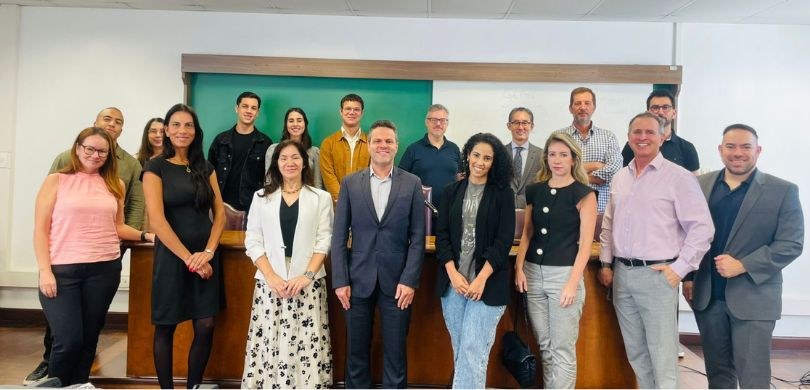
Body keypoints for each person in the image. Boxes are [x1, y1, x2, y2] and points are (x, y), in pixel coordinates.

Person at [26, 107, 145, 386]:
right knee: (68, 340)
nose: (95, 155)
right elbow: (41, 230)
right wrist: (45, 271)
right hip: (62, 270)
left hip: (104, 270)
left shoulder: (115, 183)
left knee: (89, 340)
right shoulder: (56, 180)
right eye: (90, 149)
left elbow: (118, 226)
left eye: (102, 152)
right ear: (77, 149)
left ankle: (79, 385)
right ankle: (58, 385)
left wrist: (145, 236)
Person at [598, 112, 714, 388]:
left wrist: (680, 269)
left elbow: (702, 228)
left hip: (658, 275)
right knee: (636, 353)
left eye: (650, 132)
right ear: (629, 138)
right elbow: (609, 224)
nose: (642, 137)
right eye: (637, 132)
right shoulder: (620, 178)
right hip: (622, 275)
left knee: (662, 357)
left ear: (662, 137)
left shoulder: (680, 178)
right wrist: (605, 263)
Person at [683, 124, 804, 388]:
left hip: (755, 298)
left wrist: (744, 265)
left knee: (753, 375)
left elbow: (791, 244)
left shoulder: (782, 190)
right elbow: (688, 234)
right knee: (718, 373)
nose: (738, 153)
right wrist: (689, 277)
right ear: (720, 149)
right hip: (708, 297)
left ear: (758, 150)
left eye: (745, 147)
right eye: (731, 146)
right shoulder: (700, 184)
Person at [331, 120, 425, 388]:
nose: (383, 145)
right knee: (356, 353)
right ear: (369, 145)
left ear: (396, 146)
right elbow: (339, 237)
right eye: (377, 141)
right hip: (356, 281)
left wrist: (409, 280)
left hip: (397, 284)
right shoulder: (350, 183)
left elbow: (418, 238)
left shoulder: (412, 183)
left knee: (396, 353)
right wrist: (340, 281)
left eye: (389, 141)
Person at [142, 103, 226, 389]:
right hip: (172, 257)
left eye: (188, 125)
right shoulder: (155, 167)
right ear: (166, 130)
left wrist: (209, 253)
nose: (182, 130)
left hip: (206, 255)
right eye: (176, 125)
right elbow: (156, 219)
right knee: (166, 327)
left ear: (195, 131)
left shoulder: (206, 167)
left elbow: (220, 215)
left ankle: (193, 386)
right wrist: (190, 258)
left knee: (206, 325)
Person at [243, 140, 334, 388]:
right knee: (270, 340)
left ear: (304, 163)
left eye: (295, 157)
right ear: (276, 164)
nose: (290, 162)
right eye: (283, 158)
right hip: (270, 283)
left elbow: (324, 240)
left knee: (306, 341)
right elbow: (253, 240)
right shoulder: (261, 197)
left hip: (308, 282)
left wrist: (306, 275)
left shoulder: (320, 198)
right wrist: (271, 276)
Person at [514, 132, 597, 388]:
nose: (557, 160)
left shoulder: (584, 194)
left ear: (573, 159)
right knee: (545, 346)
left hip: (564, 276)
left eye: (563, 155)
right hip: (532, 275)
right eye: (552, 155)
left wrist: (573, 283)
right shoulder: (535, 191)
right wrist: (519, 268)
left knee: (562, 349)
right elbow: (527, 234)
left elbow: (585, 246)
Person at [435, 132, 515, 389]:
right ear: (467, 155)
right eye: (476, 155)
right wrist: (453, 273)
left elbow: (503, 242)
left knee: (472, 350)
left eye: (487, 158)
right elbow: (442, 236)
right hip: (454, 285)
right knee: (462, 350)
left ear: (495, 162)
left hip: (488, 285)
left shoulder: (502, 194)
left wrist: (480, 278)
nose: (480, 162)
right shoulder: (451, 191)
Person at [553, 87, 622, 214]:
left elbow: (615, 170)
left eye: (587, 103)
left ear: (594, 107)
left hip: (600, 211)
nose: (582, 107)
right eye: (578, 103)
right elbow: (554, 169)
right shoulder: (559, 137)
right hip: (565, 209)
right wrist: (595, 166)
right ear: (570, 108)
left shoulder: (608, 137)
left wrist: (572, 174)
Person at [208, 91, 272, 211]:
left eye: (253, 108)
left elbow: (269, 180)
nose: (249, 111)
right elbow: (208, 175)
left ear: (257, 113)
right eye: (245, 106)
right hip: (221, 205)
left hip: (252, 207)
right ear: (237, 108)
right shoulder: (220, 140)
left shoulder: (265, 143)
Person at [399, 103, 461, 212]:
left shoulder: (454, 149)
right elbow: (400, 179)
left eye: (442, 120)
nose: (438, 124)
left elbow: (460, 177)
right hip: (419, 211)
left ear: (447, 123)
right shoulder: (413, 149)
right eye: (434, 120)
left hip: (449, 211)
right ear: (427, 122)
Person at [621, 89, 700, 173]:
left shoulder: (687, 148)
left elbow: (695, 183)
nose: (660, 112)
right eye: (655, 108)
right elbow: (625, 178)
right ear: (647, 113)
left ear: (674, 113)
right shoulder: (634, 145)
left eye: (665, 107)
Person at [320, 93, 370, 203]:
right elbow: (328, 175)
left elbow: (373, 173)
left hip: (364, 204)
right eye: (348, 108)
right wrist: (342, 199)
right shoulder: (328, 143)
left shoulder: (371, 143)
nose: (352, 112)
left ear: (362, 113)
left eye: (356, 109)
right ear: (341, 112)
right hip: (336, 205)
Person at [264, 107, 322, 189]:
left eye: (299, 120)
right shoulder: (273, 149)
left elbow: (317, 184)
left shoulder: (314, 152)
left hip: (307, 198)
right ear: (286, 124)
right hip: (279, 197)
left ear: (305, 124)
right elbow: (269, 181)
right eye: (291, 121)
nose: (295, 124)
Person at [504, 107, 543, 208]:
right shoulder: (499, 153)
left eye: (525, 123)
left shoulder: (542, 155)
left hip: (532, 210)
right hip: (504, 210)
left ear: (532, 126)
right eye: (516, 122)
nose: (520, 127)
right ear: (509, 126)